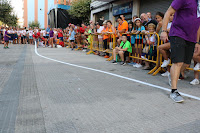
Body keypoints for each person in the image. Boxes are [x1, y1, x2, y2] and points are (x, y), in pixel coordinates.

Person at [160, 0, 200, 102]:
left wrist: (197, 42)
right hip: (178, 33)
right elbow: (169, 12)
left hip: (191, 37)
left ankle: (171, 74)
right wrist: (164, 31)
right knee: (178, 62)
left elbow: (198, 24)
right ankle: (174, 91)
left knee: (186, 64)